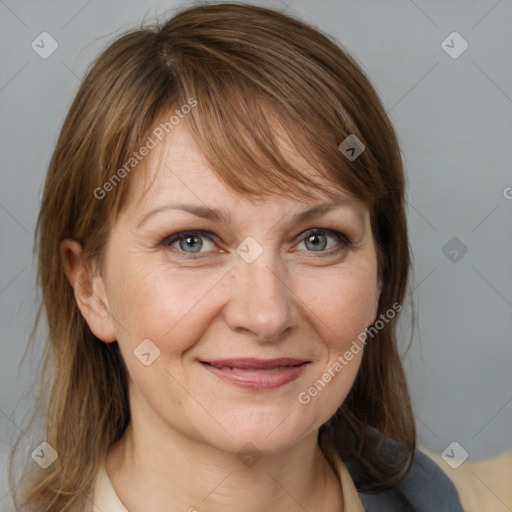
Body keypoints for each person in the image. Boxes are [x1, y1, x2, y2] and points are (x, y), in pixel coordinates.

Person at [9, 3, 464, 511]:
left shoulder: (432, 498)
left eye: (317, 239)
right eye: (192, 242)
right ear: (90, 287)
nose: (266, 315)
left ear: (381, 272)